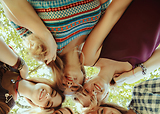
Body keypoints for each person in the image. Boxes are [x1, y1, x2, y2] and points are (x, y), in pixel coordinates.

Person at [1, 0, 133, 94]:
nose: (69, 84)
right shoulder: (93, 42)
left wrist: (45, 35)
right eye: (75, 87)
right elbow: (108, 7)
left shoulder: (43, 49)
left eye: (63, 85)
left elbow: (10, 3)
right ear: (84, 77)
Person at [81, 0, 160, 86]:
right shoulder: (131, 77)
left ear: (86, 79)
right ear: (105, 97)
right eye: (94, 99)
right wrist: (133, 73)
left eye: (86, 92)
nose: (93, 93)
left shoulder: (89, 58)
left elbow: (111, 14)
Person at [0, 37, 65, 114]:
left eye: (48, 103)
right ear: (48, 84)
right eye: (52, 93)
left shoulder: (6, 105)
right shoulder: (18, 65)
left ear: (39, 106)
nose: (47, 96)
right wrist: (22, 67)